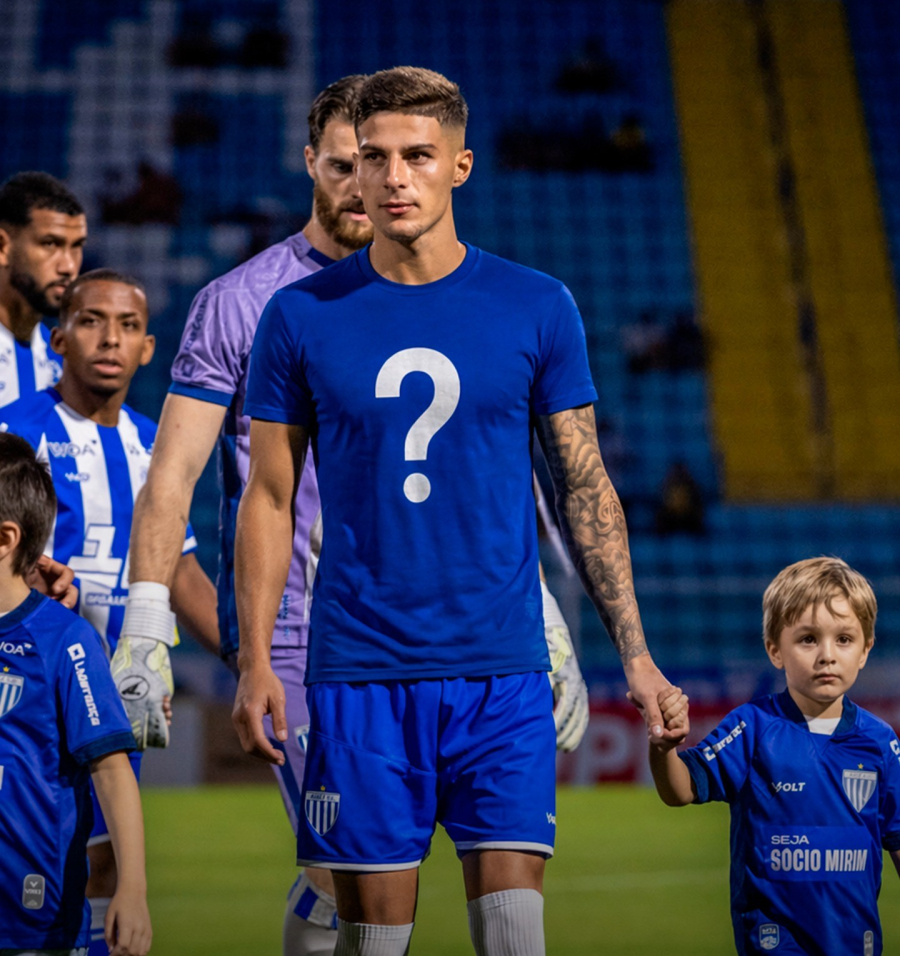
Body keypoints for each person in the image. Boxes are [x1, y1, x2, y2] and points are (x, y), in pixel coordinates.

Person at [236, 67, 672, 956]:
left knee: (515, 937)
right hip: (359, 672)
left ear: (460, 166)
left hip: (501, 672)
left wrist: (636, 652)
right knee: (371, 945)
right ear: (347, 172)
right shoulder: (297, 317)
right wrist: (254, 661)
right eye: (373, 159)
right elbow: (271, 496)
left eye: (417, 157)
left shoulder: (537, 306)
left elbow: (585, 487)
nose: (393, 178)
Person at [124, 74, 376, 956]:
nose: (360, 186)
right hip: (296, 627)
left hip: (416, 622)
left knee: (376, 872)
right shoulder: (239, 302)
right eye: (342, 165)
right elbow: (173, 476)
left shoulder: (431, 296)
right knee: (355, 868)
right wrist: (146, 627)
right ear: (310, 161)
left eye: (376, 165)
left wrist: (539, 611)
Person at [0, 269, 218, 956]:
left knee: (105, 864)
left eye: (127, 326)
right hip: (30, 683)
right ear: (60, 337)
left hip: (120, 689)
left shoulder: (157, 446)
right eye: (92, 321)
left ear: (148, 348)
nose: (110, 339)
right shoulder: (15, 431)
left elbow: (181, 571)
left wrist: (251, 660)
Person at [649, 557, 900, 955]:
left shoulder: (880, 742)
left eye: (844, 639)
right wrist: (663, 747)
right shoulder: (753, 726)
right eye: (807, 639)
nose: (827, 655)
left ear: (866, 649)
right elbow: (681, 788)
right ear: (774, 650)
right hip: (774, 945)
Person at [0, 432, 151, 956]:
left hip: (34, 923)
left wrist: (131, 888)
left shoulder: (65, 641)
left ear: (5, 539)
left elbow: (111, 769)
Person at [0, 171, 87, 408]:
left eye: (76, 246)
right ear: (3, 247)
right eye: (50, 244)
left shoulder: (67, 366)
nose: (68, 266)